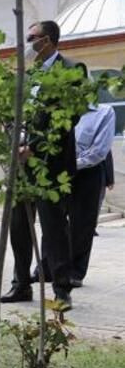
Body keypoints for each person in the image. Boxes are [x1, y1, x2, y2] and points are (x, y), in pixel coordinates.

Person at [1, 20, 88, 310]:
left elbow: (68, 117)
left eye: (31, 37)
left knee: (53, 227)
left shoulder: (72, 69)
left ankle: (62, 288)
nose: (26, 42)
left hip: (50, 163)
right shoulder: (28, 74)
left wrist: (34, 149)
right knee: (19, 224)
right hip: (20, 163)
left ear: (47, 40)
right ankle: (20, 284)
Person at [68, 103, 115, 285]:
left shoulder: (103, 112)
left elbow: (100, 152)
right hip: (58, 171)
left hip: (88, 172)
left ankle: (75, 272)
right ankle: (48, 267)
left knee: (82, 224)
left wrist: (69, 163)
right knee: (53, 221)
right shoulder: (56, 109)